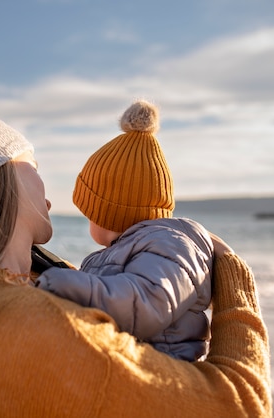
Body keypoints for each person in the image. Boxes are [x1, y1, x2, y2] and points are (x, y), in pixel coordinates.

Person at [0, 102, 272, 417]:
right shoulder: (30, 324)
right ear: (1, 177)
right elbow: (242, 408)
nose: (47, 192)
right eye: (32, 168)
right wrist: (233, 275)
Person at [36, 100, 212, 361]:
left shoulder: (170, 243)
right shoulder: (139, 246)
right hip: (137, 364)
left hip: (163, 372)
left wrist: (58, 282)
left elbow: (148, 304)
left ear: (109, 214)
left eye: (90, 215)